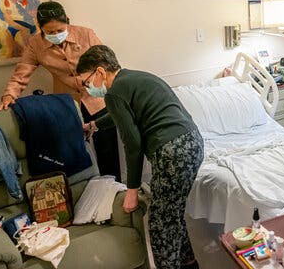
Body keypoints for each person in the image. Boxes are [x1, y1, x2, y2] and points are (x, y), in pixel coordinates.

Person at [76, 45, 203, 269]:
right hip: (193, 143)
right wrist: (94, 125)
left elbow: (133, 145)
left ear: (100, 72)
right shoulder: (137, 78)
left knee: (160, 224)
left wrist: (131, 191)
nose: (87, 88)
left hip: (172, 152)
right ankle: (189, 264)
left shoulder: (114, 92)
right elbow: (120, 114)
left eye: (86, 82)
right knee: (172, 213)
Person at [0, 1, 121, 180]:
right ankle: (86, 190)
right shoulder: (35, 44)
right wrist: (9, 95)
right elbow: (22, 72)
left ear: (67, 21)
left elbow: (106, 64)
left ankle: (113, 189)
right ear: (41, 28)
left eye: (60, 30)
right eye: (50, 32)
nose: (55, 35)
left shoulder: (86, 34)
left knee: (107, 151)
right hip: (68, 105)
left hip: (98, 100)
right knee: (75, 153)